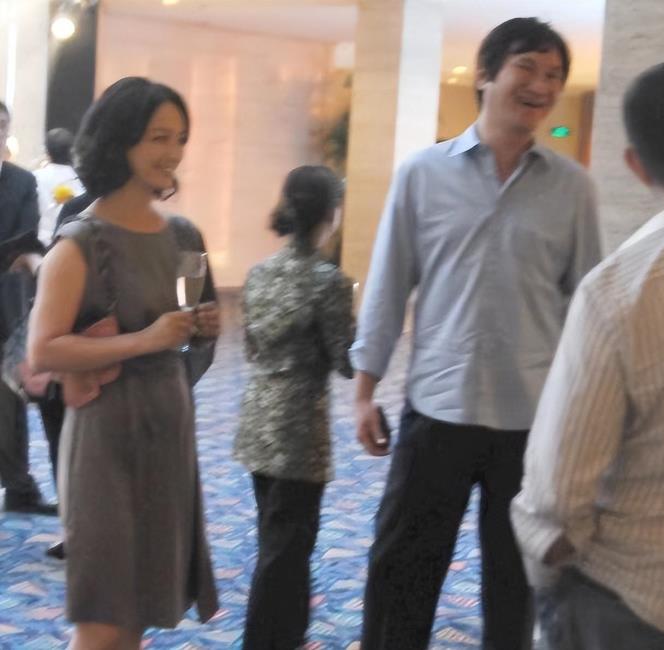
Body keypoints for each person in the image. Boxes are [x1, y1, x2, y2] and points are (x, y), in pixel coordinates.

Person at [351, 17, 602, 650]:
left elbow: (587, 307)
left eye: (554, 75)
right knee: (401, 572)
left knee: (515, 585)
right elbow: (387, 286)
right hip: (438, 407)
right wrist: (364, 391)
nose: (542, 85)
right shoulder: (422, 173)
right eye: (528, 68)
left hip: (530, 421)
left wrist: (584, 416)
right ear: (486, 74)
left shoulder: (573, 189)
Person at [511, 57, 664, 650]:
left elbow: (557, 495)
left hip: (641, 605)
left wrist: (549, 580)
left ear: (635, 164)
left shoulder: (623, 290)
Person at [27, 77, 220, 650]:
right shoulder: (81, 243)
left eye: (180, 138)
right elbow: (43, 350)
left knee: (138, 610)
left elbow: (188, 334)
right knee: (102, 617)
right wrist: (145, 340)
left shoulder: (183, 235)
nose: (173, 152)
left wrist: (200, 329)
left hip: (168, 434)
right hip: (105, 442)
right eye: (159, 137)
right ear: (119, 141)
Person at [234, 165, 354, 649]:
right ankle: (268, 640)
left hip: (257, 417)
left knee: (275, 534)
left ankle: (289, 632)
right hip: (299, 426)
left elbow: (251, 348)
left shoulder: (258, 272)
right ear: (331, 212)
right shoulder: (329, 281)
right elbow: (345, 360)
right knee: (289, 544)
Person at [0, 99, 57, 516]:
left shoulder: (21, 181)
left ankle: (19, 486)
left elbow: (25, 238)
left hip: (6, 302)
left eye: (2, 125)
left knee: (9, 396)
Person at [33, 128, 85, 245]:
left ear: (47, 152)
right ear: (72, 151)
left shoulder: (34, 177)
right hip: (69, 243)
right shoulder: (81, 182)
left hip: (39, 243)